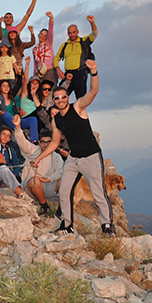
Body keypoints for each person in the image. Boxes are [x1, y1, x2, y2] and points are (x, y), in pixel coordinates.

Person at [33, 60, 114, 235]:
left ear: (68, 98)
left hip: (91, 156)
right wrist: (39, 158)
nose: (61, 100)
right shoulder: (57, 120)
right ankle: (67, 225)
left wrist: (94, 72)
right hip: (73, 158)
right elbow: (54, 143)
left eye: (63, 97)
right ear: (53, 101)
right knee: (64, 191)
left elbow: (93, 91)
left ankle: (107, 225)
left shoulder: (78, 107)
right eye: (57, 98)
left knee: (99, 193)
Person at [13, 116, 63, 217]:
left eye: (49, 142)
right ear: (39, 142)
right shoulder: (33, 150)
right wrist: (18, 127)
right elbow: (22, 142)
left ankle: (61, 209)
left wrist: (47, 179)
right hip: (30, 186)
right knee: (35, 181)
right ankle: (44, 207)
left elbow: (61, 171)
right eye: (43, 142)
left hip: (48, 186)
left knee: (65, 179)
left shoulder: (56, 157)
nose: (46, 144)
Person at [53, 15, 98, 99]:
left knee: (81, 100)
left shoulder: (83, 41)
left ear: (77, 32)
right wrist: (57, 69)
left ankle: (79, 112)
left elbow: (95, 34)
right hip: (68, 75)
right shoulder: (65, 45)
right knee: (59, 96)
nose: (72, 35)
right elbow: (56, 58)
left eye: (74, 32)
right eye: (70, 33)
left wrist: (92, 22)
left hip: (80, 73)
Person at [32, 11, 57, 85]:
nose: (42, 36)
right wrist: (34, 75)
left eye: (45, 35)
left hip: (49, 71)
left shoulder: (48, 44)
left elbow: (51, 32)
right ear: (39, 34)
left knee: (51, 92)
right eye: (41, 34)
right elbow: (35, 64)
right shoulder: (35, 48)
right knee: (41, 93)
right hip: (40, 73)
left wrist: (51, 19)